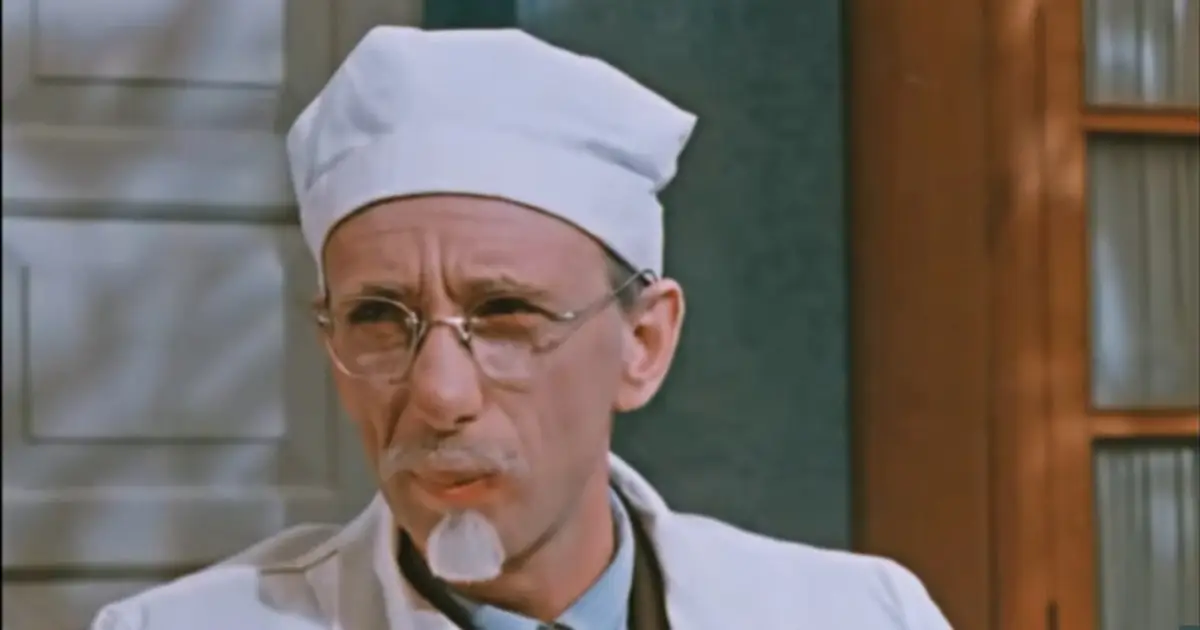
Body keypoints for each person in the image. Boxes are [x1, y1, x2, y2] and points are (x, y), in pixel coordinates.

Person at [90, 26, 951, 630]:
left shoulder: (859, 617)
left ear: (643, 345)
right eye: (380, 319)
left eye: (505, 315)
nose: (439, 394)